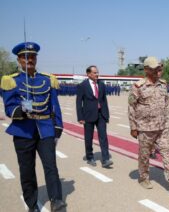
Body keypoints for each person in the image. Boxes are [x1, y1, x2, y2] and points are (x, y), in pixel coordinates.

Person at [1, 42, 66, 212]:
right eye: (25, 56)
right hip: (23, 130)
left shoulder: (47, 79)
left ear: (36, 59)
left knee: (51, 166)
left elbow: (54, 105)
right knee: (27, 169)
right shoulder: (11, 80)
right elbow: (8, 107)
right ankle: (32, 204)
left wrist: (58, 127)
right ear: (19, 59)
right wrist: (18, 111)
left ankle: (56, 200)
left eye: (32, 56)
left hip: (45, 129)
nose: (29, 59)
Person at [128, 56, 169, 191]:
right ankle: (143, 178)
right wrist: (133, 127)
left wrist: (166, 120)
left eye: (159, 68)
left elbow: (166, 103)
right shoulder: (138, 86)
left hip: (162, 127)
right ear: (146, 70)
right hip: (145, 128)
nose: (157, 71)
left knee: (166, 152)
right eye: (154, 69)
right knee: (144, 155)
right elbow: (131, 107)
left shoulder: (163, 84)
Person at [76, 65, 113, 168]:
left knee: (103, 137)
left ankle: (105, 159)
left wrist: (106, 115)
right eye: (95, 73)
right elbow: (79, 102)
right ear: (88, 74)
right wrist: (80, 117)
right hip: (88, 115)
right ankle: (90, 157)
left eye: (97, 72)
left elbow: (104, 100)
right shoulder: (82, 85)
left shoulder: (101, 84)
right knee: (89, 137)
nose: (97, 74)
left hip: (101, 114)